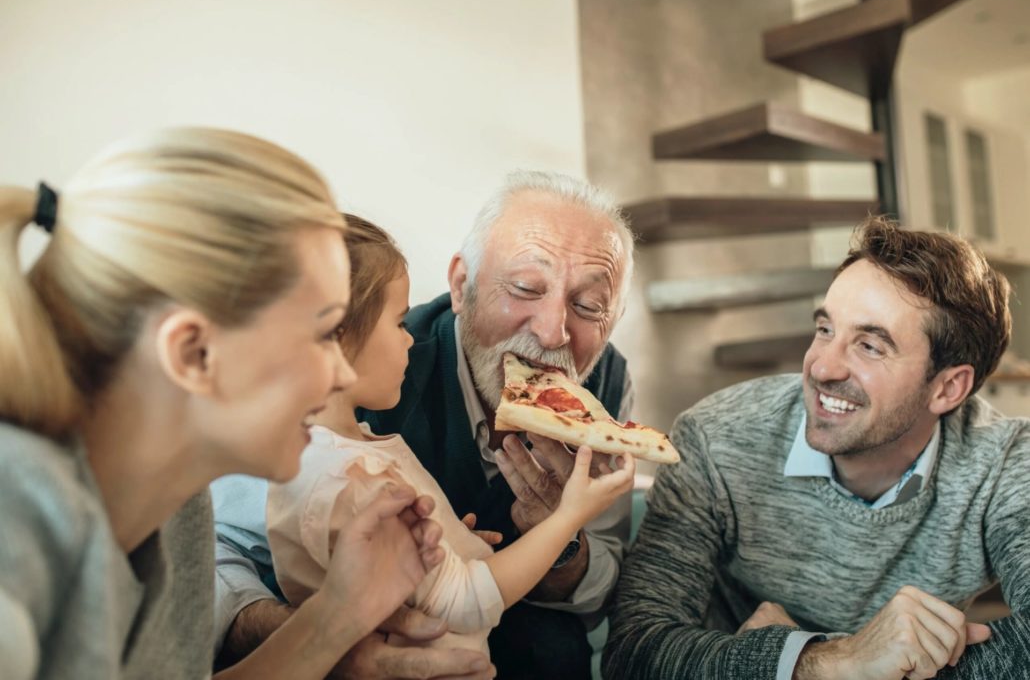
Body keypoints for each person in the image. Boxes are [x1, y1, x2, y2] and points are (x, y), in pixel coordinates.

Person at [0, 128, 447, 680]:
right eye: (323, 333)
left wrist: (338, 616)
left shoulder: (181, 512)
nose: (339, 372)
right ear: (193, 353)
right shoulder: (15, 533)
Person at [215, 170, 638, 679]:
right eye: (526, 288)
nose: (552, 334)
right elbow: (211, 553)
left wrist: (561, 543)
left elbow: (608, 595)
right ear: (462, 285)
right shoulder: (356, 370)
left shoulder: (605, 386)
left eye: (587, 306)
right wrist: (322, 639)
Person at [603, 217, 1030, 680]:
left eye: (869, 345)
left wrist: (819, 664)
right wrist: (830, 662)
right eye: (826, 330)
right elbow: (635, 651)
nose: (822, 367)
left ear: (947, 388)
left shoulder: (1005, 464)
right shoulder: (715, 440)